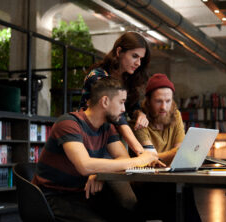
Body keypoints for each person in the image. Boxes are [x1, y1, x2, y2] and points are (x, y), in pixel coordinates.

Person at [32, 77, 158, 222]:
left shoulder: (107, 127)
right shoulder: (68, 123)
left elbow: (123, 158)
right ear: (105, 101)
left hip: (82, 193)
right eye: (121, 102)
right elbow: (85, 166)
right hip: (52, 196)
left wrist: (99, 172)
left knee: (131, 213)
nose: (124, 109)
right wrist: (141, 160)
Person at [131, 73, 201, 222]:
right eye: (158, 101)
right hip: (146, 181)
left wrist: (173, 154)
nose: (164, 107)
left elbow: (180, 153)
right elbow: (150, 159)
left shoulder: (175, 115)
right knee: (176, 192)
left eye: (168, 101)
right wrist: (175, 152)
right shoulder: (140, 121)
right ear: (148, 101)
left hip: (170, 177)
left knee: (183, 189)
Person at [79, 32, 150, 155]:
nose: (138, 63)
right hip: (90, 136)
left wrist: (140, 114)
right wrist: (141, 151)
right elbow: (118, 117)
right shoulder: (97, 76)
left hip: (112, 138)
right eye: (134, 56)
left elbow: (133, 106)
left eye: (141, 59)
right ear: (119, 52)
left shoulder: (127, 79)